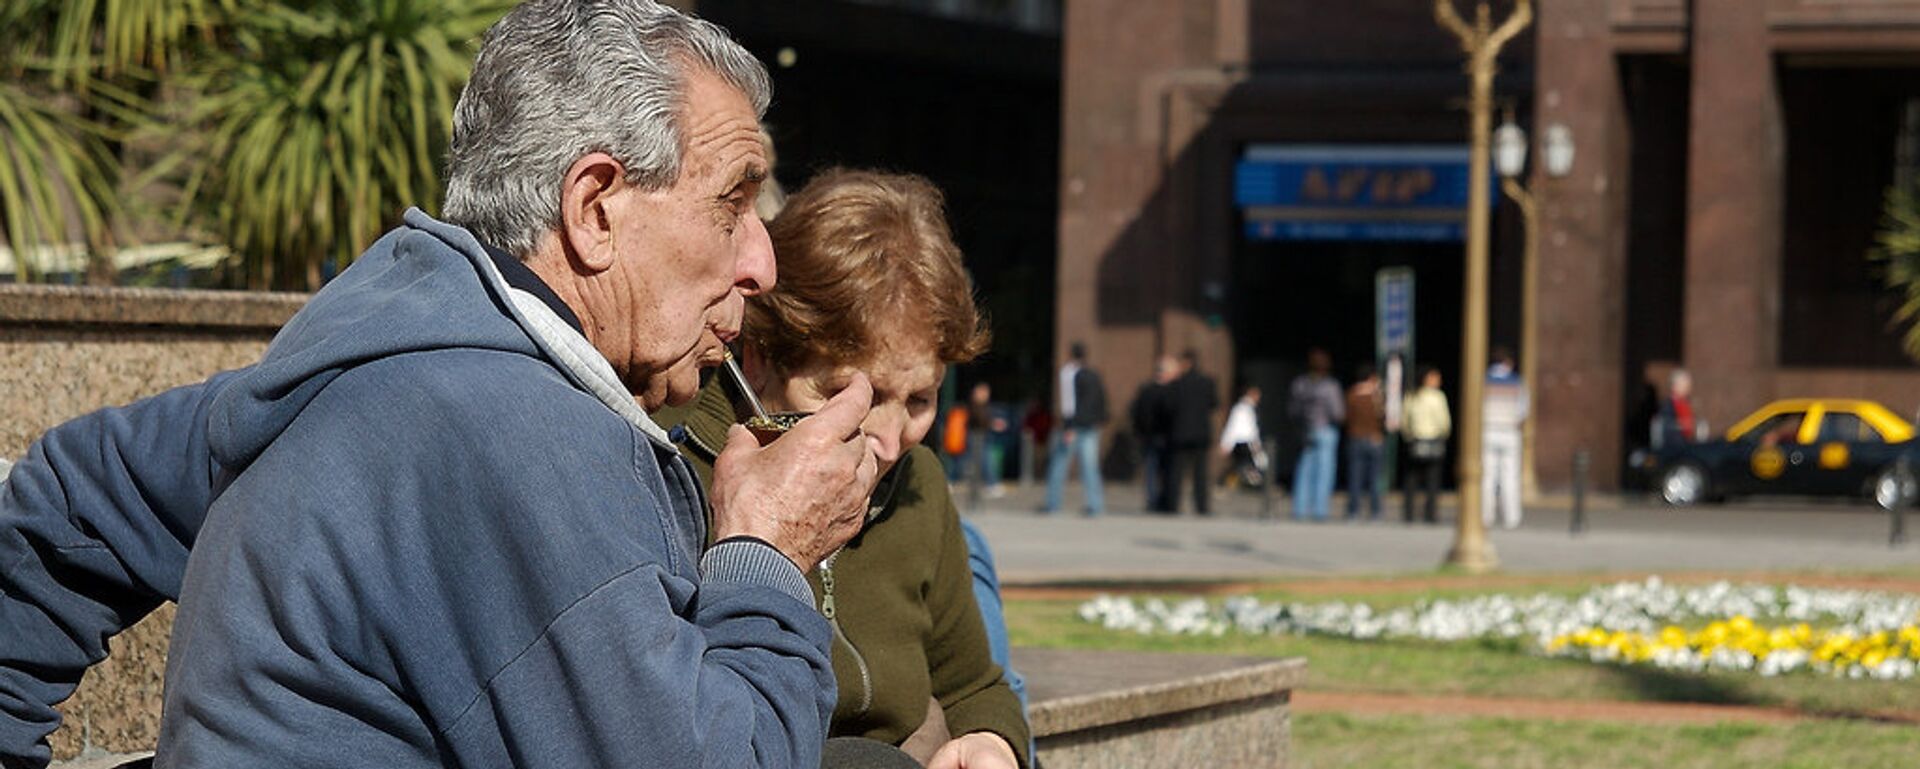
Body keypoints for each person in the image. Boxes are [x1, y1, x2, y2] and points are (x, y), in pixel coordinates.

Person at [4, 3, 888, 766]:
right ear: (595, 209)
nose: (761, 262)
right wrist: (767, 550)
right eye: (733, 205)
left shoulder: (394, 345)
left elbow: (71, 499)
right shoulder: (517, 433)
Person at [660, 169, 1029, 768]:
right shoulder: (676, 479)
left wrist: (992, 742)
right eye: (844, 394)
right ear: (758, 360)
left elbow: (974, 686)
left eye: (918, 401)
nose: (886, 441)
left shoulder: (919, 485)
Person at [1041, 342, 1107, 516]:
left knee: (1059, 464)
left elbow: (1068, 403)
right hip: (1090, 426)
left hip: (1073, 426)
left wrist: (1069, 426)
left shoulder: (1069, 373)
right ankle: (1095, 505)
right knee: (1090, 467)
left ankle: (1053, 503)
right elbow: (1101, 400)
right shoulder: (1094, 374)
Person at [1287, 348, 1344, 522]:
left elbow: (1293, 410)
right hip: (1326, 429)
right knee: (1324, 471)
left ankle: (1300, 509)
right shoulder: (1330, 386)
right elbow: (1337, 412)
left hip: (1306, 430)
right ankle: (1320, 510)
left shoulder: (1300, 384)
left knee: (1304, 470)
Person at [1164, 349, 1219, 515]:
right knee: (1200, 473)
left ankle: (1172, 505)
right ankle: (1201, 506)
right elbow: (1214, 404)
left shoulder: (1176, 384)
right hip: (1201, 433)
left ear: (1186, 363)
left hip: (1180, 433)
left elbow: (1169, 407)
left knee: (1176, 471)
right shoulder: (1207, 382)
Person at [1483, 347, 1530, 530]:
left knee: (1487, 476)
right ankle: (1512, 517)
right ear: (1508, 363)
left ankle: (1486, 515)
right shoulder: (1517, 382)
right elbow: (1523, 409)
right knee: (1510, 475)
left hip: (1487, 430)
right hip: (1509, 431)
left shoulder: (1483, 380)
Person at [1401, 366, 1451, 525]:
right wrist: (1443, 434)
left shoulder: (1411, 396)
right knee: (1432, 479)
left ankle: (1409, 513)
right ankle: (1430, 513)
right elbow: (1443, 421)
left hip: (1415, 439)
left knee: (1411, 478)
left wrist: (1408, 435)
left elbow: (1405, 419)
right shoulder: (1437, 397)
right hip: (1433, 439)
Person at [1130, 355, 1178, 512]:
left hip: (1150, 435)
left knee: (1152, 469)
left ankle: (1154, 500)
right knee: (1162, 469)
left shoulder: (1146, 389)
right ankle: (1161, 500)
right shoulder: (1171, 391)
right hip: (1162, 435)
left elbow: (1136, 413)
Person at [1342, 366, 1385, 521]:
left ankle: (1353, 511)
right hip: (1374, 439)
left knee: (1355, 477)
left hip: (1355, 438)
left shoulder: (1351, 394)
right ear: (1371, 378)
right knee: (1374, 478)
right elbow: (1383, 416)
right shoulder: (1376, 396)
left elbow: (1345, 417)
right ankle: (1375, 511)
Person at [1216, 385, 1266, 490]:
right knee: (1249, 464)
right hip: (1245, 441)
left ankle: (1227, 483)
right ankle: (1254, 485)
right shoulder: (1243, 409)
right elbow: (1233, 427)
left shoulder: (1249, 408)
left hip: (1247, 441)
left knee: (1243, 464)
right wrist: (1226, 444)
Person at [966, 382, 1009, 498]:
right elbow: (979, 420)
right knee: (985, 461)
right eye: (983, 392)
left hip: (984, 437)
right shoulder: (974, 405)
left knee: (986, 461)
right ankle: (991, 483)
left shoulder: (985, 406)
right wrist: (992, 424)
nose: (985, 395)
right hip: (976, 437)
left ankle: (989, 483)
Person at [1653, 368, 1698, 449]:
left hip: (1687, 447)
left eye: (1688, 386)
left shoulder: (1686, 404)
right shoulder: (1667, 406)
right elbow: (1666, 426)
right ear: (1674, 386)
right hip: (1674, 449)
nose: (1688, 389)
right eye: (1685, 386)